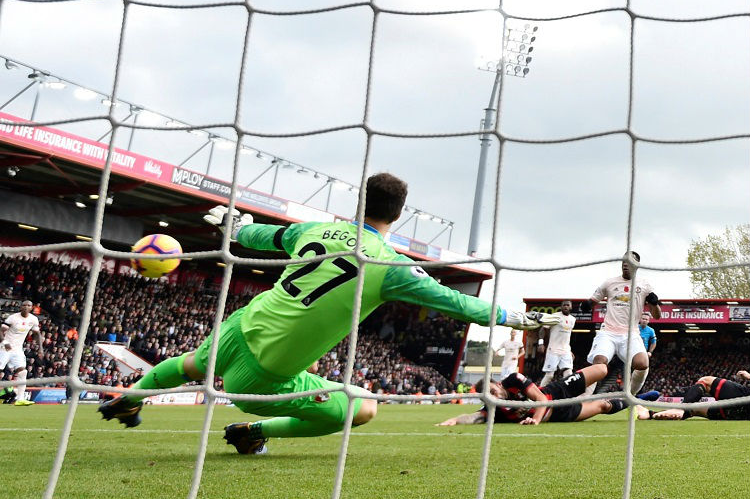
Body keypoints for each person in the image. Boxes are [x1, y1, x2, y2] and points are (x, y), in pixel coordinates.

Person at [99, 173, 560, 455]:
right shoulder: (391, 266)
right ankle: (251, 430)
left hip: (243, 324)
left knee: (191, 365)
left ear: (361, 202)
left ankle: (133, 396)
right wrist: (518, 319)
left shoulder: (316, 230)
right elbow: (458, 303)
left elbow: (259, 238)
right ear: (396, 216)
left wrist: (234, 224)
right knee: (363, 408)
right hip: (264, 373)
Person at [436, 363, 627, 426]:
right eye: (490, 397)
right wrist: (455, 420)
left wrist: (535, 419)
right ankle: (634, 401)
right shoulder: (494, 409)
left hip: (557, 392)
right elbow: (474, 416)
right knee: (603, 406)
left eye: (494, 391)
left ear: (498, 384)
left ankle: (626, 382)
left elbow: (541, 399)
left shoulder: (513, 379)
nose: (495, 397)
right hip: (560, 414)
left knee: (602, 369)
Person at [580, 251, 661, 396]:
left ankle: (630, 396)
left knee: (643, 364)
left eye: (630, 261)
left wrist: (654, 304)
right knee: (599, 363)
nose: (625, 263)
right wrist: (586, 305)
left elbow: (657, 316)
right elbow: (593, 300)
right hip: (608, 332)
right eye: (624, 261)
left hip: (630, 334)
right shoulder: (609, 282)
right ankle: (583, 399)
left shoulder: (645, 285)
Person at [636, 370, 750, 421]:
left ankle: (682, 407)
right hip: (741, 416)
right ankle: (651, 415)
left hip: (744, 398)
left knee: (706, 381)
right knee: (694, 410)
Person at [1, 300, 43, 406]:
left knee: (23, 372)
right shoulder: (13, 318)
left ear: (31, 307)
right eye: (24, 305)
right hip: (4, 348)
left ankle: (20, 399)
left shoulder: (33, 319)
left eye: (28, 305)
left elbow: (37, 334)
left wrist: (40, 348)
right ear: (20, 307)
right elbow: (0, 331)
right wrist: (5, 343)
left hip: (17, 349)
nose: (26, 307)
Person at [538, 300, 576, 387]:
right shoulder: (555, 316)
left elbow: (567, 337)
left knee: (568, 374)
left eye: (567, 305)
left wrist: (569, 350)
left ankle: (567, 397)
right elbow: (542, 329)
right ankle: (538, 395)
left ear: (571, 307)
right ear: (561, 307)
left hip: (566, 350)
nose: (566, 307)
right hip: (553, 350)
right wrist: (541, 343)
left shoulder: (573, 319)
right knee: (549, 376)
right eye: (564, 305)